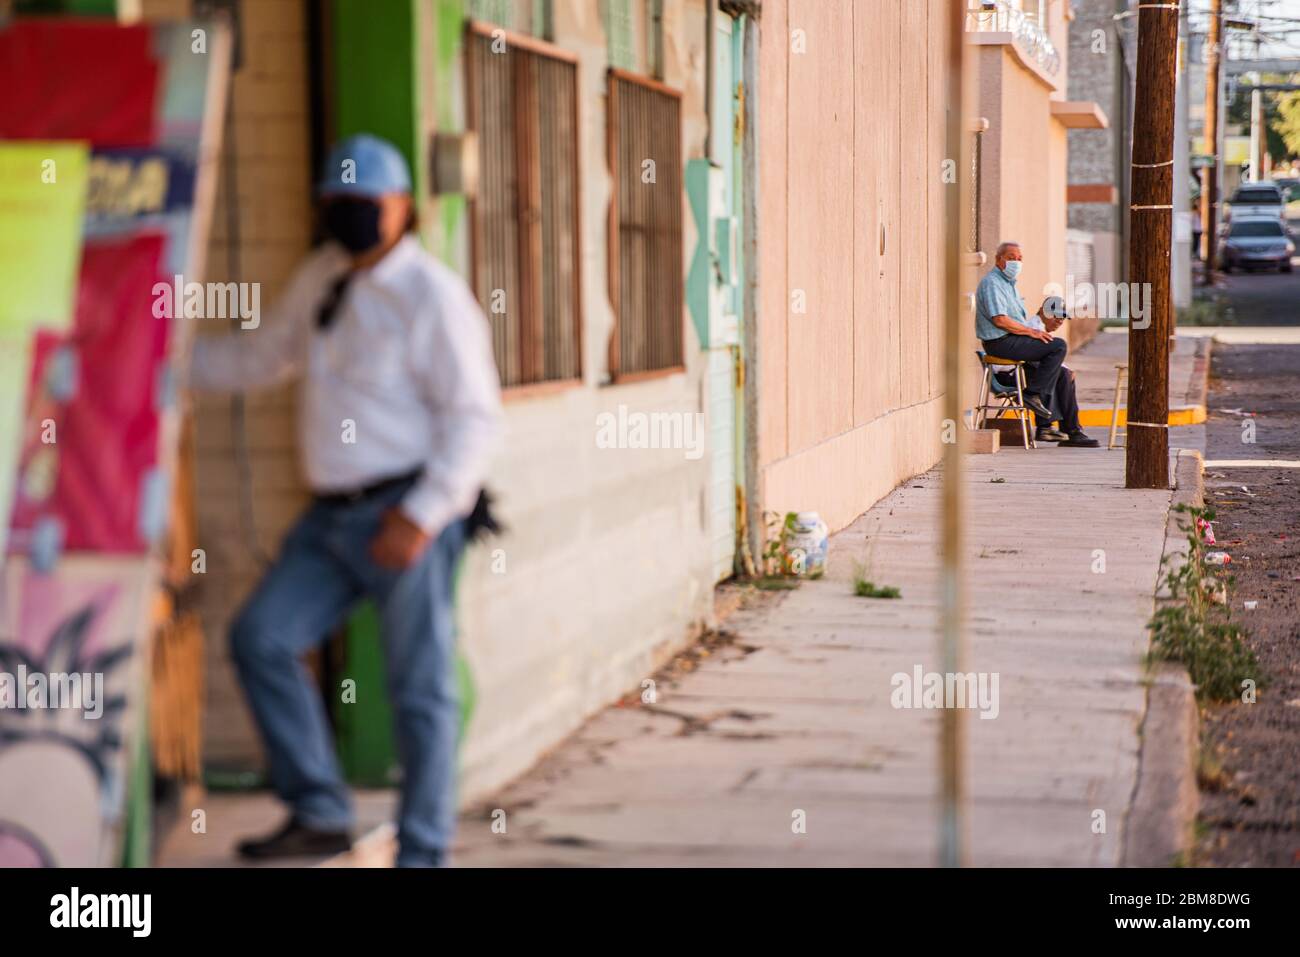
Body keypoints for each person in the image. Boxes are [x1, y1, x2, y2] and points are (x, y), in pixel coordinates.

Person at [189, 133, 503, 867]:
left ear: (403, 209)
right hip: (331, 518)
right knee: (261, 636)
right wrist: (163, 359)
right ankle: (321, 812)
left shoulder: (432, 297)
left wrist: (423, 515)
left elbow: (476, 419)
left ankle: (423, 851)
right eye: (337, 203)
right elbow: (265, 356)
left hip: (402, 513)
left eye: (365, 204)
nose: (350, 216)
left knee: (418, 690)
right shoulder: (324, 275)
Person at [975, 241, 1066, 432]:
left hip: (1010, 339)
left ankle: (1054, 427)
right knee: (1058, 346)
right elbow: (1000, 320)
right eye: (1011, 258)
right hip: (1000, 341)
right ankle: (1032, 394)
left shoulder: (1009, 285)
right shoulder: (992, 283)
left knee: (1052, 363)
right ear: (999, 260)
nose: (1016, 262)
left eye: (1019, 259)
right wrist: (1031, 332)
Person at [992, 296, 1099, 447]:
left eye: (1062, 317)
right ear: (1042, 312)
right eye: (1055, 315)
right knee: (1058, 373)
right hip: (1009, 376)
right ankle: (1056, 428)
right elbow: (1035, 361)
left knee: (1061, 374)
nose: (1059, 321)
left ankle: (1065, 430)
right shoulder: (1032, 328)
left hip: (1022, 374)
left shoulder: (1041, 331)